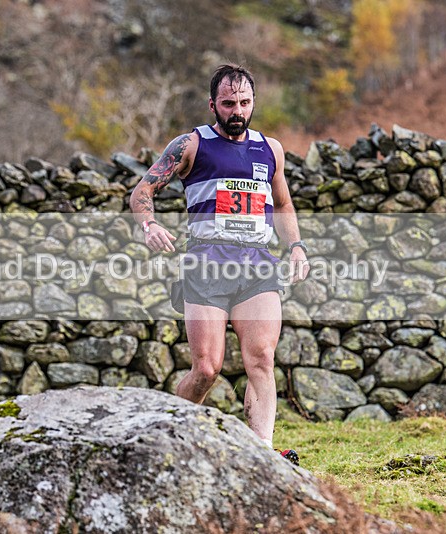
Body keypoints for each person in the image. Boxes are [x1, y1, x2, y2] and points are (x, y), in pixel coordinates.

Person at [130, 64, 309, 463]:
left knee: (261, 357)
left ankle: (262, 454)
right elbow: (143, 190)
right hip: (207, 265)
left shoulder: (270, 149)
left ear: (253, 104)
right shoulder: (191, 145)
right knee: (207, 368)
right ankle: (168, 437)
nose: (237, 111)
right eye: (228, 103)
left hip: (257, 265)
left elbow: (282, 204)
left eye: (244, 103)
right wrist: (149, 224)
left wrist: (296, 246)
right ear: (213, 104)